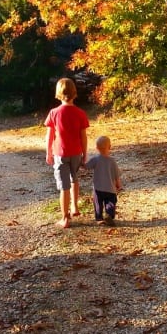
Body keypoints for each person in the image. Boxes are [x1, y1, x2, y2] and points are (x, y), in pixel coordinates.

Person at [45, 78, 89, 228]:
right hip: (76, 153)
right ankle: (75, 207)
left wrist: (48, 152)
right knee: (74, 179)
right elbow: (83, 136)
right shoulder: (80, 113)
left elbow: (50, 136)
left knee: (64, 186)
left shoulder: (54, 113)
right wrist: (85, 153)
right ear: (74, 93)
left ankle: (65, 218)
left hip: (60, 154)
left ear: (58, 93)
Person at [85, 135, 123, 226]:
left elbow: (86, 166)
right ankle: (109, 215)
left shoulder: (95, 160)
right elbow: (116, 175)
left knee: (98, 204)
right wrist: (119, 185)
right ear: (110, 147)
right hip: (110, 188)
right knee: (111, 202)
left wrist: (80, 161)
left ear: (97, 148)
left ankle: (99, 218)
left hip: (98, 188)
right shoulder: (112, 161)